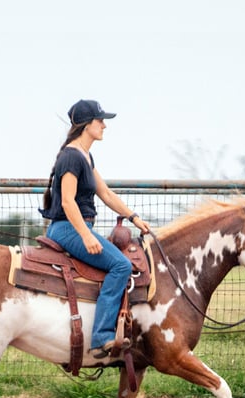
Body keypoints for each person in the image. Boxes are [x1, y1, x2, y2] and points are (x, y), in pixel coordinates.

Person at [40, 99, 150, 358]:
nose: (104, 125)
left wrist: (133, 217)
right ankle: (101, 337)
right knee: (121, 266)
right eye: (100, 120)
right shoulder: (71, 156)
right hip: (68, 228)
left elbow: (106, 194)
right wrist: (86, 235)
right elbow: (68, 201)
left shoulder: (85, 156)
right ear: (86, 125)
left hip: (75, 227)